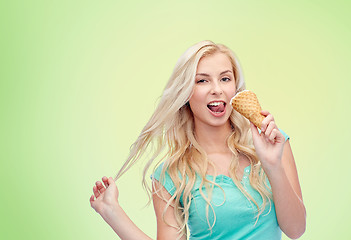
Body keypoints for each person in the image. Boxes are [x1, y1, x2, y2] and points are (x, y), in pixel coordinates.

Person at [89, 40, 306, 240]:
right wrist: (112, 213)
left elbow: (296, 229)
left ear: (235, 88)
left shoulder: (274, 144)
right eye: (202, 80)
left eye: (225, 78)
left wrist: (272, 165)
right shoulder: (172, 174)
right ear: (185, 93)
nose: (217, 89)